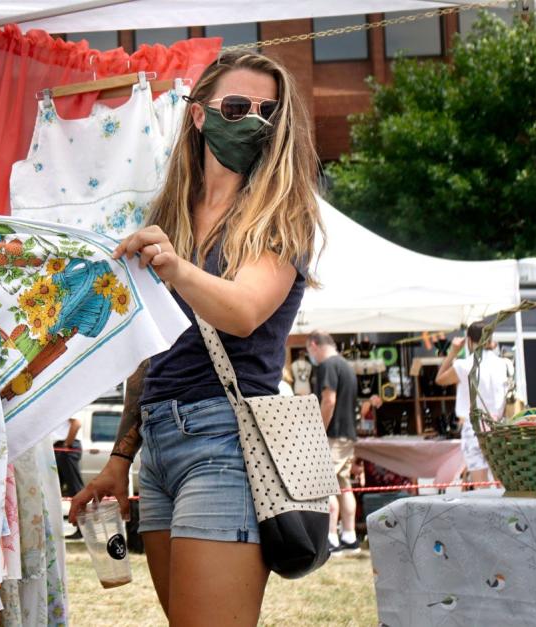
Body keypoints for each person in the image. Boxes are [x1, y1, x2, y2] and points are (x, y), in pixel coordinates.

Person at [69, 51, 324, 626]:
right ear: (200, 115)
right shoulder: (173, 213)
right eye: (236, 106)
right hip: (160, 443)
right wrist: (119, 458)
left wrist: (174, 267)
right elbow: (151, 348)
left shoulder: (281, 215)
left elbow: (243, 312)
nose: (253, 120)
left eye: (267, 110)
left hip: (226, 442)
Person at [435, 321, 509, 486]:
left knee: (480, 487)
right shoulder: (503, 364)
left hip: (474, 427)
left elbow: (439, 379)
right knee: (503, 483)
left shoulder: (464, 365)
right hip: (499, 426)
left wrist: (453, 352)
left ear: (469, 340)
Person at [306, 331, 359, 555]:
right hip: (348, 434)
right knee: (344, 486)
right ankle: (350, 536)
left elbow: (329, 400)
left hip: (332, 435)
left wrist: (318, 429)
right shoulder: (347, 365)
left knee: (325, 486)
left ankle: (331, 538)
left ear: (314, 345)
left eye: (309, 351)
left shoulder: (328, 365)